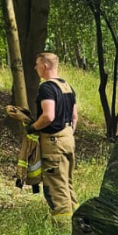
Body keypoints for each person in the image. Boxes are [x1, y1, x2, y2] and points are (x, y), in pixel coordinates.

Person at [29, 53, 78, 225]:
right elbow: (74, 117)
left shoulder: (47, 88)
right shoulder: (68, 86)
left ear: (45, 66)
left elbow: (48, 116)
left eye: (37, 64)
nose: (35, 68)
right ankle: (78, 222)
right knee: (67, 182)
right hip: (68, 139)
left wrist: (33, 127)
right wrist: (68, 135)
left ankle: (63, 228)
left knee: (56, 185)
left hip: (53, 142)